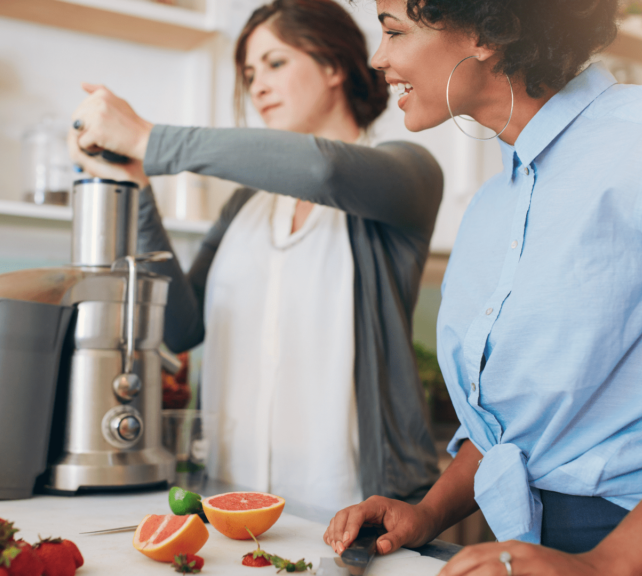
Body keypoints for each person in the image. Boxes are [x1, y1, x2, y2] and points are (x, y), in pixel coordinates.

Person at [322, 0, 642, 574]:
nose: (378, 57)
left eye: (393, 31)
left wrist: (604, 564)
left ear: (484, 32)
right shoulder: (490, 207)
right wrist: (427, 513)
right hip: (541, 550)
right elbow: (511, 436)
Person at [68, 0, 444, 512]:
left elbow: (324, 172)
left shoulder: (406, 174)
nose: (257, 85)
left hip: (354, 511)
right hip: (225, 503)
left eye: (275, 62)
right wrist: (139, 187)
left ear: (333, 66)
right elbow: (181, 327)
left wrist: (149, 138)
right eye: (248, 72)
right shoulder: (245, 203)